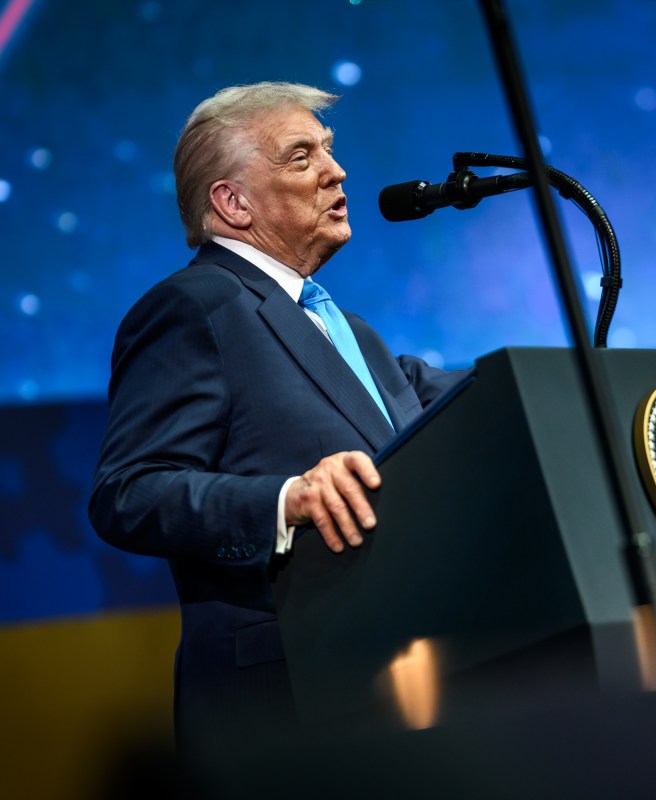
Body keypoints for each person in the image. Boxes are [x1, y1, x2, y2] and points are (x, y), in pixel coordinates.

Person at [88, 82, 462, 760]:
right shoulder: (190, 308)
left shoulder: (351, 333)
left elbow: (472, 396)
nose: (336, 170)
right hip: (282, 702)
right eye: (300, 156)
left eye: (329, 150)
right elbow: (129, 492)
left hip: (400, 687)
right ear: (232, 202)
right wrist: (287, 500)